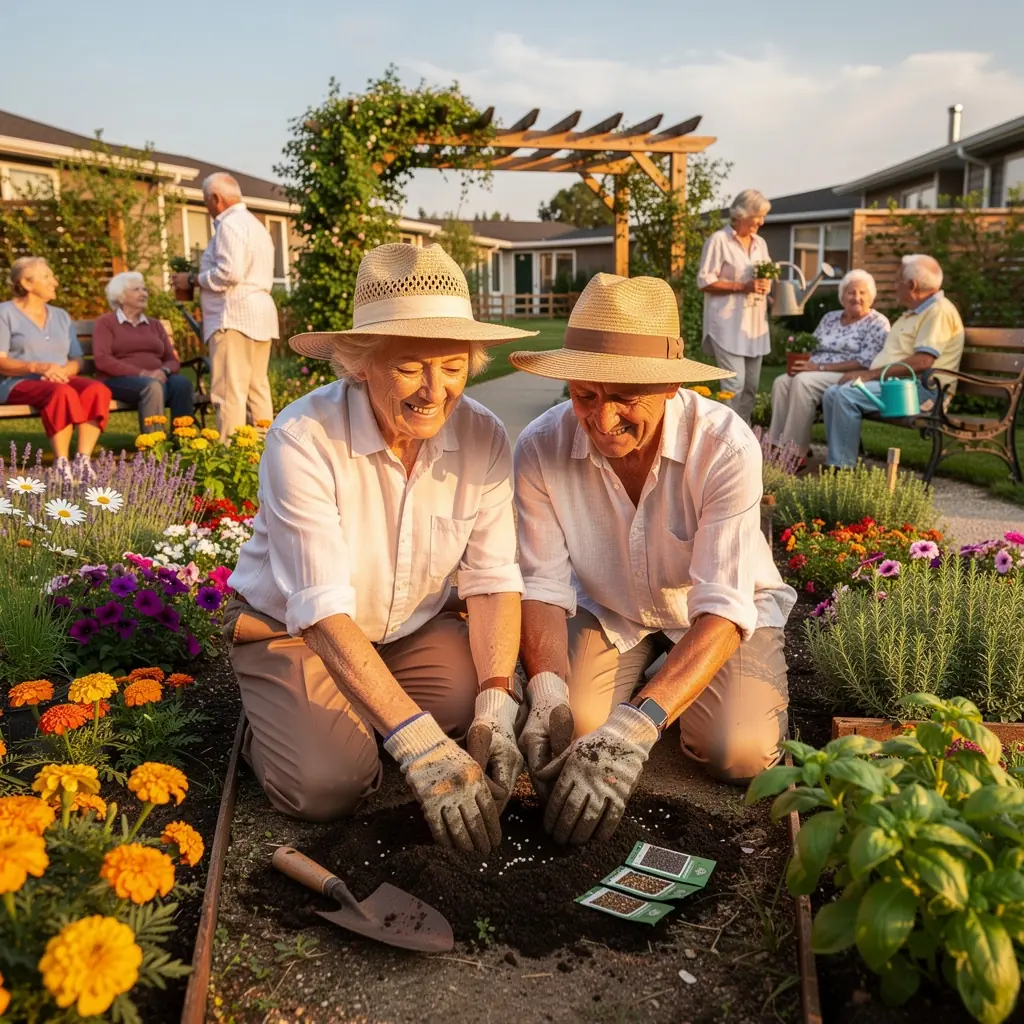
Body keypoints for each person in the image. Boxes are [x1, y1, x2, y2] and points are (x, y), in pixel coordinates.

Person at [224, 243, 536, 855]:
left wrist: (498, 700)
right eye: (410, 367)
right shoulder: (304, 437)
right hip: (300, 634)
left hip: (408, 637)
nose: (433, 391)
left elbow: (494, 579)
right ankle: (276, 725)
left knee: (469, 714)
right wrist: (416, 744)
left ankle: (357, 715)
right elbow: (318, 610)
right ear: (361, 364)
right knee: (330, 785)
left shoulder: (484, 436)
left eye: (452, 366)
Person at [508, 273, 796, 847]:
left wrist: (637, 726)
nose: (603, 419)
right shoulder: (539, 447)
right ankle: (655, 689)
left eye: (625, 398)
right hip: (611, 607)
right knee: (571, 736)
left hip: (715, 619)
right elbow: (540, 585)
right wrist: (543, 689)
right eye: (585, 395)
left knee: (736, 751)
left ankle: (659, 696)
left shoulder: (724, 445)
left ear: (669, 384)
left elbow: (721, 605)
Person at [821, 254, 965, 468]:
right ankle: (840, 460)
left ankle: (842, 468)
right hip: (898, 385)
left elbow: (924, 361)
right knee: (832, 393)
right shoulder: (915, 313)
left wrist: (868, 374)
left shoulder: (939, 311)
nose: (894, 285)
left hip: (923, 392)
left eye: (897, 280)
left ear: (912, 285)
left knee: (845, 394)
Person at [171, 172, 278, 443]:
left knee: (229, 391)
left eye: (206, 201)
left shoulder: (229, 225)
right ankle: (266, 452)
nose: (207, 208)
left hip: (234, 316)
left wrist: (193, 279)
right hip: (259, 315)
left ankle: (231, 454)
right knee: (257, 389)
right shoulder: (255, 225)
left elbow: (229, 273)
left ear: (216, 199)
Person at [0, 256, 109, 483]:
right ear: (27, 284)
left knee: (97, 390)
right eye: (47, 276)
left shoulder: (61, 316)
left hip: (59, 378)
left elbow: (77, 359)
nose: (55, 282)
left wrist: (64, 370)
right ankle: (61, 465)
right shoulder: (5, 313)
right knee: (62, 393)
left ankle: (82, 461)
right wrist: (37, 366)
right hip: (16, 381)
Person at [769, 269, 889, 457]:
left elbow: (866, 362)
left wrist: (819, 368)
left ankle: (794, 453)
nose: (856, 297)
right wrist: (803, 362)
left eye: (862, 292)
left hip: (848, 375)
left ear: (871, 297)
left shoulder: (877, 323)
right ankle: (774, 446)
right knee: (782, 382)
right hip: (815, 370)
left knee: (803, 383)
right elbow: (813, 345)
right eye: (851, 292)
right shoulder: (831, 318)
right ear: (842, 296)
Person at [698, 189, 773, 424]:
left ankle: (744, 438)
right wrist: (743, 287)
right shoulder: (719, 241)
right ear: (741, 214)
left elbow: (765, 276)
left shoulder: (760, 243)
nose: (761, 222)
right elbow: (705, 281)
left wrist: (765, 285)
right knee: (734, 384)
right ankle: (722, 435)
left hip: (753, 326)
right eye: (758, 216)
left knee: (750, 388)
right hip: (726, 325)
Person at [93, 272, 195, 433]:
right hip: (118, 381)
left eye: (145, 289)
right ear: (120, 297)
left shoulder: (154, 325)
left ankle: (182, 442)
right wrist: (142, 373)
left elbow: (171, 359)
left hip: (156, 379)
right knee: (151, 386)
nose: (144, 293)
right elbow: (103, 359)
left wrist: (164, 370)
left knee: (182, 384)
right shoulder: (106, 323)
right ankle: (154, 446)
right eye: (136, 290)